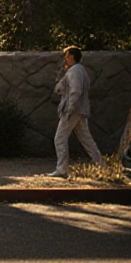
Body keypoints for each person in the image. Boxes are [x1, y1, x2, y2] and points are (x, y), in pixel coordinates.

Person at [49, 46, 103, 178]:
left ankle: (62, 168)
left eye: (66, 55)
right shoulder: (77, 70)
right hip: (79, 110)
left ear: (72, 56)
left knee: (59, 138)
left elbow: (76, 91)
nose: (65, 58)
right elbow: (62, 89)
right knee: (86, 138)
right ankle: (101, 165)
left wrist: (69, 109)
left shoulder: (75, 71)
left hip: (73, 110)